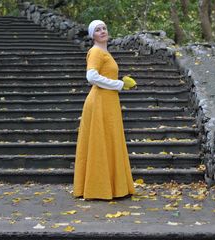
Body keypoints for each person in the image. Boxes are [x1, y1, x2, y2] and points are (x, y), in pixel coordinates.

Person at [73, 20, 136, 200]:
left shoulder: (105, 52)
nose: (102, 31)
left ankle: (112, 187)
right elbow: (91, 76)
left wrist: (121, 82)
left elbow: (103, 74)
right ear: (92, 35)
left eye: (104, 28)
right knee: (100, 142)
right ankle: (99, 188)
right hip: (99, 101)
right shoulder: (95, 51)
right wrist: (119, 84)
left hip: (108, 102)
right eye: (97, 30)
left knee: (109, 141)